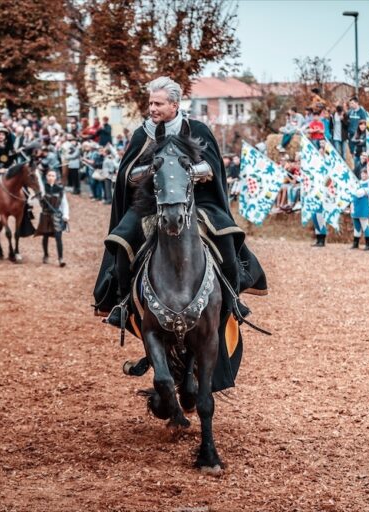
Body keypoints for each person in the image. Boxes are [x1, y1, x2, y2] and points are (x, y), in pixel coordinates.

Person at [92, 76, 267, 391]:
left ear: (175, 104)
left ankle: (231, 297)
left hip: (197, 202)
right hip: (150, 204)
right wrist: (152, 171)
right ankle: (121, 303)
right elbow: (128, 175)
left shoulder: (196, 131)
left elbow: (212, 168)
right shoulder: (142, 134)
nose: (153, 108)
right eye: (151, 103)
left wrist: (185, 172)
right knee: (120, 241)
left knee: (226, 237)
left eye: (158, 103)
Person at [35, 167, 69, 267]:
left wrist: (66, 215)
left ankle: (61, 258)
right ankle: (45, 255)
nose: (51, 177)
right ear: (46, 177)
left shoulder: (60, 189)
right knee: (45, 236)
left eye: (53, 176)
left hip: (57, 216)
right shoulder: (42, 189)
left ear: (56, 177)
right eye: (49, 175)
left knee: (58, 237)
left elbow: (64, 203)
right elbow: (37, 201)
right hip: (45, 215)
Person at [350, 166, 369, 250]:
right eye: (362, 173)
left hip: (363, 206)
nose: (363, 175)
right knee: (356, 225)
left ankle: (368, 244)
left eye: (365, 174)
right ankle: (355, 243)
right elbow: (352, 193)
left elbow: (361, 193)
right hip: (356, 206)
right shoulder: (357, 183)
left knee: (365, 225)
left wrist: (357, 191)